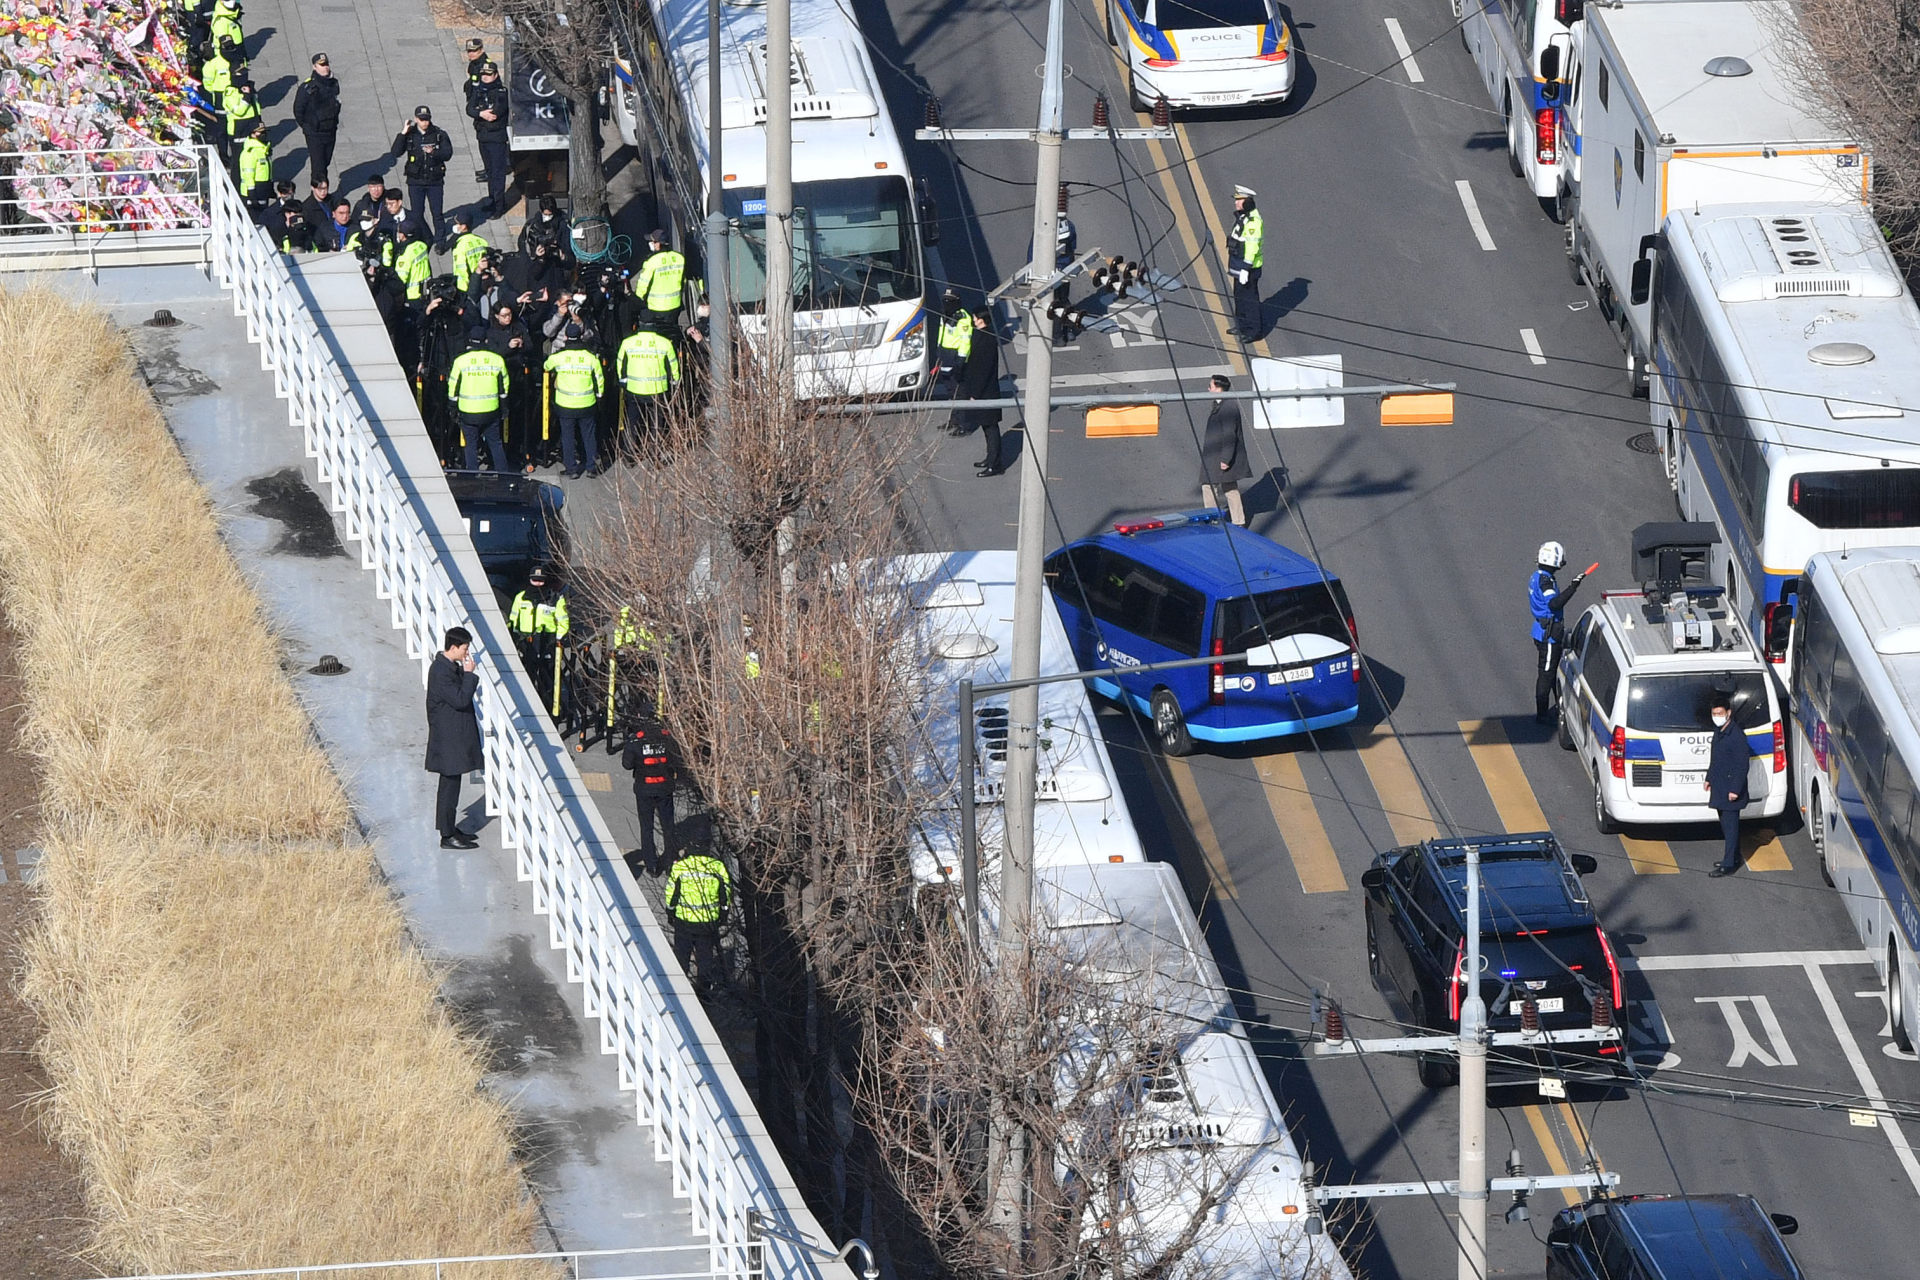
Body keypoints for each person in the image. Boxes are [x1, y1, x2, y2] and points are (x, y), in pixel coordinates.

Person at [425, 626, 482, 849]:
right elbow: (459, 699)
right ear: (454, 647)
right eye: (465, 648)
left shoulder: (448, 668)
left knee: (452, 785)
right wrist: (469, 675)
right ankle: (447, 835)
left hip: (451, 737)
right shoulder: (441, 672)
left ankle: (449, 828)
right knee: (448, 787)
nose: (467, 653)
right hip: (447, 739)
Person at [1529, 541, 1588, 725]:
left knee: (1553, 670)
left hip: (1545, 630)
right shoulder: (1545, 581)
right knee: (1546, 673)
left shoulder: (1538, 576)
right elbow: (1554, 604)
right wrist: (1573, 587)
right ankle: (1542, 715)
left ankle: (1556, 707)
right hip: (1548, 634)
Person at [664, 844, 733, 989]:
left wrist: (671, 913)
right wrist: (723, 916)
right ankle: (704, 994)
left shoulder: (680, 867)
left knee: (682, 957)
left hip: (683, 922)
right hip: (708, 923)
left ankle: (678, 989)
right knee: (705, 960)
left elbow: (671, 896)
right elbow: (725, 896)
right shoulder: (717, 867)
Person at [389, 105, 454, 249]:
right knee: (417, 214)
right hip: (415, 181)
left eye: (427, 119)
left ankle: (440, 241)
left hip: (434, 181)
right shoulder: (410, 134)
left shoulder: (438, 134)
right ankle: (420, 238)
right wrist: (403, 134)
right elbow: (395, 152)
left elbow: (448, 153)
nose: (425, 122)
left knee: (437, 213)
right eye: (422, 119)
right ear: (416, 119)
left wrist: (433, 153)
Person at [622, 714, 678, 877]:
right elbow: (676, 761)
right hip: (664, 789)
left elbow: (627, 765)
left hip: (644, 790)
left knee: (646, 828)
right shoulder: (667, 738)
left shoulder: (635, 742)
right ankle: (670, 862)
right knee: (668, 827)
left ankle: (652, 865)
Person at [546, 322, 605, 477]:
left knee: (567, 437)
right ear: (580, 337)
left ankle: (572, 469)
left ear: (565, 337)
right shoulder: (591, 358)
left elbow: (546, 365)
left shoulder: (559, 357)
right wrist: (599, 397)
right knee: (589, 436)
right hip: (587, 403)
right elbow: (599, 379)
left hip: (565, 404)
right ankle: (591, 468)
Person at [449, 327, 511, 471]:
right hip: (491, 411)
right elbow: (504, 388)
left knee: (470, 444)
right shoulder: (497, 360)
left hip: (468, 412)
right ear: (486, 341)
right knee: (495, 442)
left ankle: (472, 475)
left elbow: (453, 387)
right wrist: (504, 407)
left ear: (470, 341)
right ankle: (503, 475)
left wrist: (452, 408)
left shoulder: (460, 361)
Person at [951, 308, 1002, 476]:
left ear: (981, 320)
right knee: (987, 427)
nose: (972, 320)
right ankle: (990, 459)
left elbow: (984, 369)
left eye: (974, 317)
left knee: (991, 427)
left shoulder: (986, 339)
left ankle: (994, 464)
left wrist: (975, 394)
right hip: (983, 389)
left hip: (985, 391)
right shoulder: (983, 335)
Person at [616, 326, 681, 455]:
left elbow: (620, 364)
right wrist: (674, 383)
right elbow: (673, 365)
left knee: (632, 422)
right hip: (657, 390)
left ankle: (629, 454)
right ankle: (655, 453)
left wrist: (623, 382)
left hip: (634, 389)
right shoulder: (665, 343)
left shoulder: (627, 342)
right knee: (657, 423)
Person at [1706, 695, 1751, 877]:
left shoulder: (1737, 736)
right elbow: (1715, 759)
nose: (1717, 716)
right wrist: (1708, 778)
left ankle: (1728, 864)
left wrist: (1735, 790)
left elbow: (1742, 765)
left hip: (1730, 789)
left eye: (1720, 713)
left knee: (1731, 827)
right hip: (1719, 786)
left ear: (1728, 713)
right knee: (1726, 825)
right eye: (1714, 713)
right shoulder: (1719, 733)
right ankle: (1734, 856)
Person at [1199, 375, 1250, 526]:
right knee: (1229, 487)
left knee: (1209, 486)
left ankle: (1213, 518)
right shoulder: (1221, 404)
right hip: (1218, 455)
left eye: (1211, 386)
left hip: (1220, 456)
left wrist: (1225, 460)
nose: (1209, 389)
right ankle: (1238, 521)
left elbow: (1230, 435)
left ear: (1219, 388)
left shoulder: (1228, 407)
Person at [467, 59, 512, 218]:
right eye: (483, 75)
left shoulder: (501, 91)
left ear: (496, 75)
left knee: (498, 174)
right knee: (489, 172)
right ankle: (492, 201)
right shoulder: (479, 90)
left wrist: (482, 112)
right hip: (483, 136)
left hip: (496, 138)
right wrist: (480, 113)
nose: (485, 77)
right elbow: (470, 109)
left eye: (488, 74)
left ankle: (499, 207)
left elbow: (495, 113)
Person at [292, 53, 341, 186]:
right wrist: (309, 126)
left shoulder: (333, 83)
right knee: (319, 167)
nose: (325, 67)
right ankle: (320, 193)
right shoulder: (308, 87)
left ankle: (321, 188)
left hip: (330, 131)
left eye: (326, 64)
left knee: (326, 162)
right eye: (321, 65)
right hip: (315, 133)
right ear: (314, 67)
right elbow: (298, 110)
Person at [1227, 184, 1264, 342]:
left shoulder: (1254, 222)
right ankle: (1242, 324)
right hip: (1239, 264)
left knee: (1249, 300)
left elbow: (1252, 247)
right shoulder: (1244, 217)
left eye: (1239, 200)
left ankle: (1253, 330)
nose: (1236, 203)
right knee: (1239, 297)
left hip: (1248, 268)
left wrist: (1245, 268)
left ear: (1247, 202)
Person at [632, 230, 685, 334]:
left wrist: (636, 300)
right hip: (675, 305)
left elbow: (643, 285)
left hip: (656, 308)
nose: (650, 244)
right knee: (672, 332)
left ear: (658, 244)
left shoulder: (652, 261)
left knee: (653, 332)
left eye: (652, 241)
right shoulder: (679, 258)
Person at [933, 288, 971, 387]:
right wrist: (939, 350)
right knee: (948, 385)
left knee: (957, 387)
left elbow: (965, 341)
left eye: (950, 301)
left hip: (955, 355)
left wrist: (960, 360)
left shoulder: (962, 318)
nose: (947, 303)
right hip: (944, 353)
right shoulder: (945, 314)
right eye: (945, 300)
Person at [236, 119, 273, 210]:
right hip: (254, 191)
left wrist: (270, 186)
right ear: (252, 134)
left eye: (264, 132)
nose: (263, 134)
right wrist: (251, 192)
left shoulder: (263, 149)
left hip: (263, 188)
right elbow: (248, 173)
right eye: (260, 132)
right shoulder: (250, 152)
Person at [448, 212, 489, 292]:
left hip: (464, 286)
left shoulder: (460, 246)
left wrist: (468, 287)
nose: (455, 226)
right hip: (480, 280)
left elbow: (462, 269)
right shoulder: (481, 240)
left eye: (457, 224)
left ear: (463, 227)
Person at [392, 223, 432, 301]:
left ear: (402, 235)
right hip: (425, 290)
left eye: (399, 232)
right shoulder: (422, 245)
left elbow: (400, 281)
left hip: (412, 295)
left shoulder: (404, 255)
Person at [461, 36, 489, 106]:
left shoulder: (485, 66)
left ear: (481, 50)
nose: (471, 54)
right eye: (469, 51)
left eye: (474, 51)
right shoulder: (474, 63)